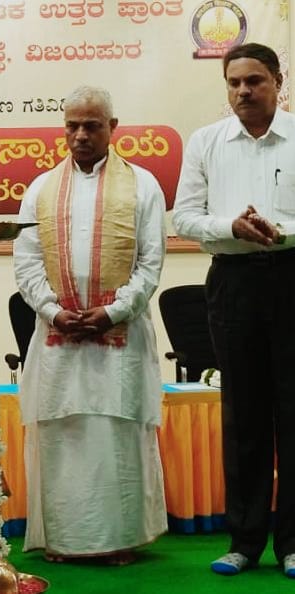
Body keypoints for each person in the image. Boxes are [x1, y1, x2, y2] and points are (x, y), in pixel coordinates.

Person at [13, 85, 167, 565]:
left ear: (112, 128)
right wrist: (53, 311)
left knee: (113, 435)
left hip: (119, 338)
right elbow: (26, 263)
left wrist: (113, 312)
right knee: (64, 435)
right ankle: (63, 540)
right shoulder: (40, 188)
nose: (80, 135)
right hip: (57, 339)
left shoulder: (143, 185)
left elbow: (150, 263)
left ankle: (118, 540)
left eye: (92, 126)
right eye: (72, 126)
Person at [174, 42, 295, 578]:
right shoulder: (205, 142)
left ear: (278, 82)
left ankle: (293, 544)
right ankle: (244, 542)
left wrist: (279, 231)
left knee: (293, 413)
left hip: (292, 276)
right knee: (242, 414)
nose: (243, 91)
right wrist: (231, 227)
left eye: (255, 80)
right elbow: (184, 217)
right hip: (233, 282)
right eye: (234, 82)